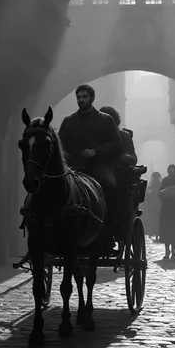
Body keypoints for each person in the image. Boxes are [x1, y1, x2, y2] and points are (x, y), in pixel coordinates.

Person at [58, 85, 122, 241]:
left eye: (84, 97)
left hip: (97, 166)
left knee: (111, 186)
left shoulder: (105, 120)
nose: (81, 100)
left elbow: (116, 145)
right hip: (73, 167)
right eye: (78, 97)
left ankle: (111, 226)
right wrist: (63, 153)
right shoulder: (68, 121)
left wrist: (96, 151)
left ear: (92, 98)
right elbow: (60, 144)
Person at [144, 171, 163, 240]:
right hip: (158, 203)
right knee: (157, 219)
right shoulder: (160, 184)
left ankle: (153, 232)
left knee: (153, 218)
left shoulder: (151, 185)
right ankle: (157, 233)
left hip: (154, 203)